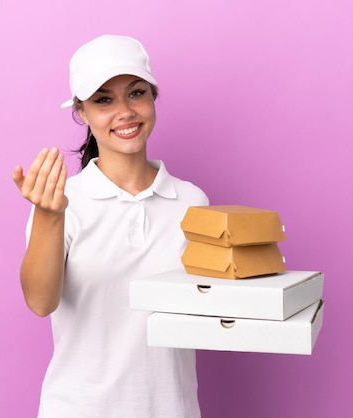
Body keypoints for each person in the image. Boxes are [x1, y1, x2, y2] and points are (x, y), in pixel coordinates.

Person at [12, 34, 209, 418]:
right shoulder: (61, 202)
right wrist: (50, 217)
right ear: (82, 113)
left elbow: (205, 310)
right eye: (104, 100)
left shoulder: (192, 203)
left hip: (172, 409)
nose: (125, 111)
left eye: (136, 93)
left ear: (153, 97)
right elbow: (40, 302)